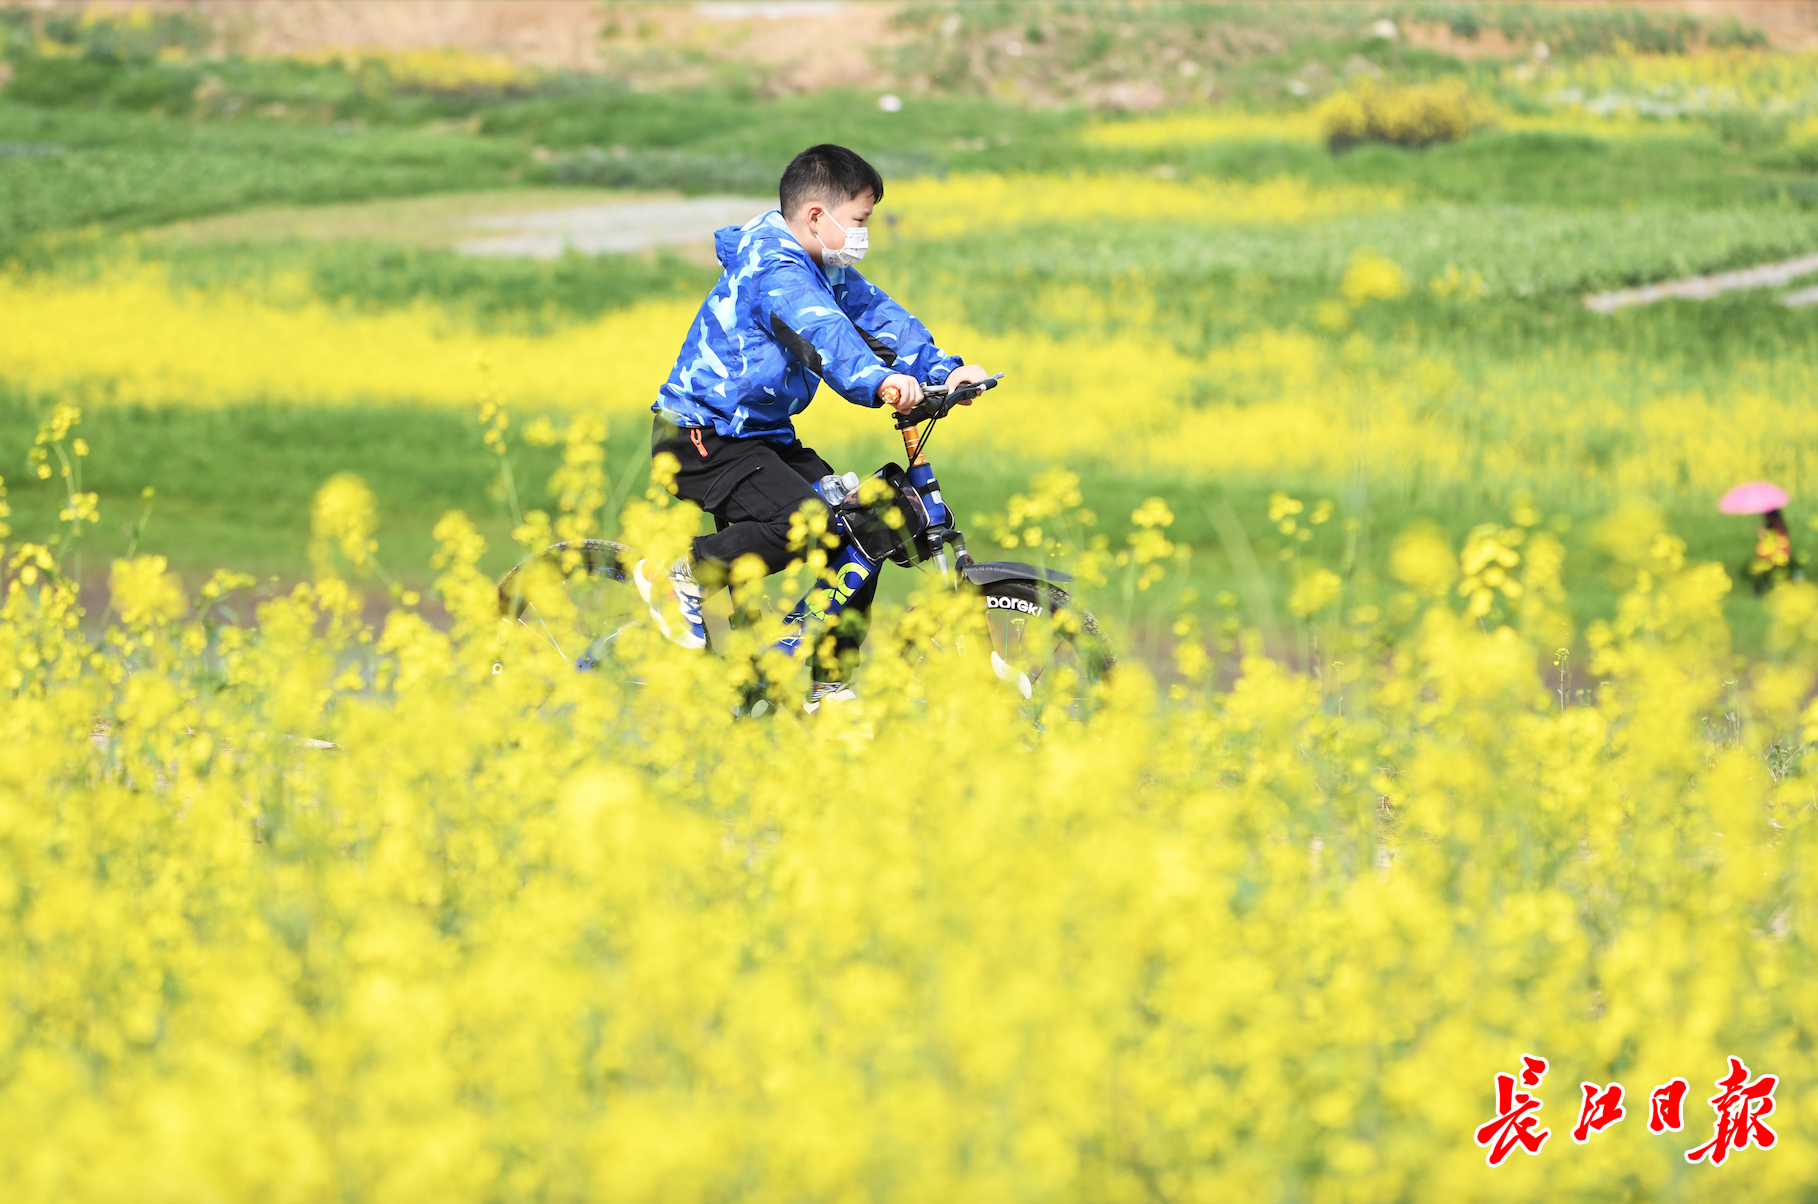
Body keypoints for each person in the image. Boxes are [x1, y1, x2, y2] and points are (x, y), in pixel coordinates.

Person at [638, 143, 989, 705]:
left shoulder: (822, 264)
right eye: (860, 220)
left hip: (762, 437)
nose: (863, 234)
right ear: (817, 217)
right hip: (704, 436)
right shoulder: (775, 270)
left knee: (866, 528)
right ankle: (679, 572)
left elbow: (878, 315)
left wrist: (944, 370)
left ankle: (828, 684)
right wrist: (877, 382)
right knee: (809, 522)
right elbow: (823, 332)